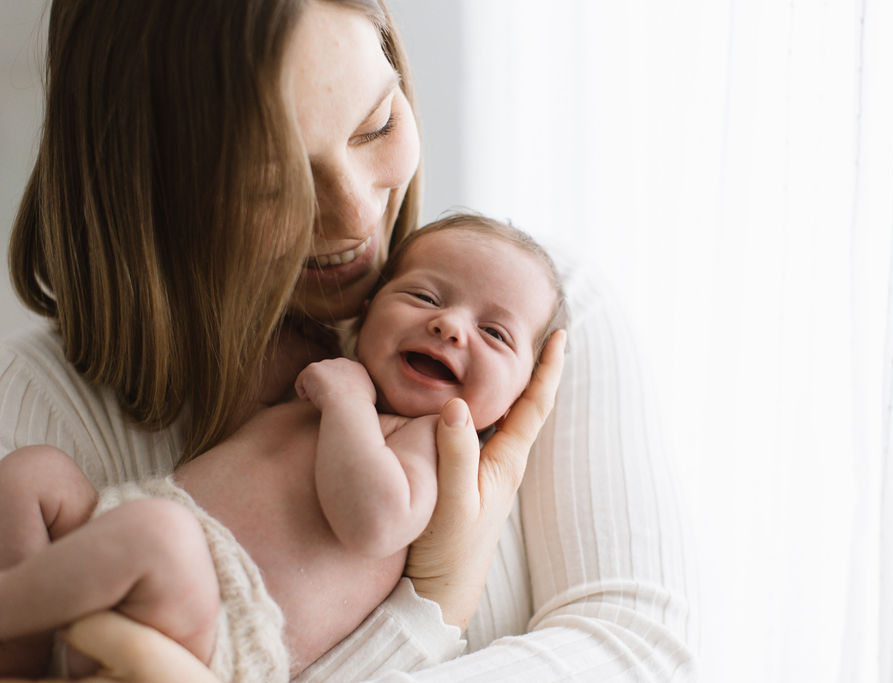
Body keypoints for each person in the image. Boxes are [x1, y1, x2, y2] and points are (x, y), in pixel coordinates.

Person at [0, 0, 692, 681]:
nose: (357, 215)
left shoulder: (542, 315)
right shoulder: (38, 398)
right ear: (146, 192)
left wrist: (431, 604)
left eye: (377, 125)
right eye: (273, 185)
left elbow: (640, 651)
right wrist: (429, 614)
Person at [0, 215, 568, 681]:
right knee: (34, 474)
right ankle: (19, 659)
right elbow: (223, 394)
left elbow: (374, 522)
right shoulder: (312, 375)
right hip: (119, 547)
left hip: (211, 629)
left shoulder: (428, 439)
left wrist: (347, 401)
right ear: (367, 311)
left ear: (520, 396)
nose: (449, 325)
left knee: (159, 534)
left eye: (495, 334)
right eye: (423, 296)